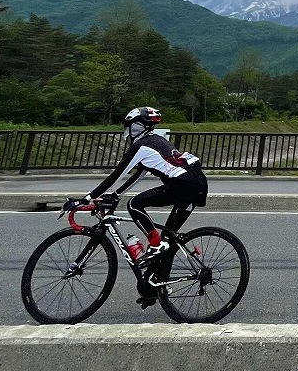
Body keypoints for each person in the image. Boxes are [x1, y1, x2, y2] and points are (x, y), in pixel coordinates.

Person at [79, 106, 207, 309]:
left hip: (183, 185)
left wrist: (86, 198)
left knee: (135, 204)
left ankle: (154, 244)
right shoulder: (156, 141)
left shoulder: (140, 146)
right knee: (168, 239)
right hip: (196, 183)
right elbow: (140, 173)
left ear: (137, 127)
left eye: (129, 127)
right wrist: (117, 194)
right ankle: (154, 287)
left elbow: (117, 174)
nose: (127, 131)